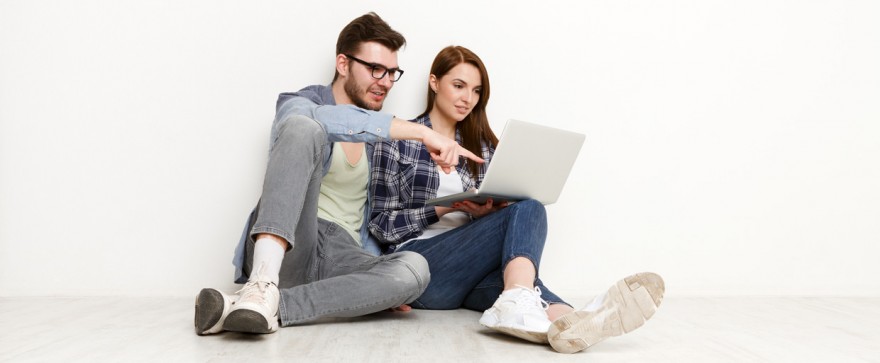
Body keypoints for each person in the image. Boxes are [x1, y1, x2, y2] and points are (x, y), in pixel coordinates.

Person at [194, 13, 483, 335]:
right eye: (375, 69)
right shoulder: (301, 103)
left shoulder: (380, 141)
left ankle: (265, 306)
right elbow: (317, 120)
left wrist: (377, 285)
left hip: (342, 255)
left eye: (392, 73)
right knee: (304, 128)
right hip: (294, 243)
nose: (385, 81)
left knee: (413, 271)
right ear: (343, 64)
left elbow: (375, 225)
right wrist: (418, 131)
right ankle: (261, 282)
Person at [368, 45, 665, 353]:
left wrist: (483, 215)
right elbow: (380, 227)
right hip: (420, 268)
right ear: (434, 83)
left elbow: (503, 226)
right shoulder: (400, 140)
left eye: (476, 90)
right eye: (458, 86)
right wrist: (445, 208)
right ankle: (523, 299)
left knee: (524, 289)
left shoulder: (483, 148)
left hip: (464, 281)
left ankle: (570, 321)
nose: (467, 98)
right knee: (530, 209)